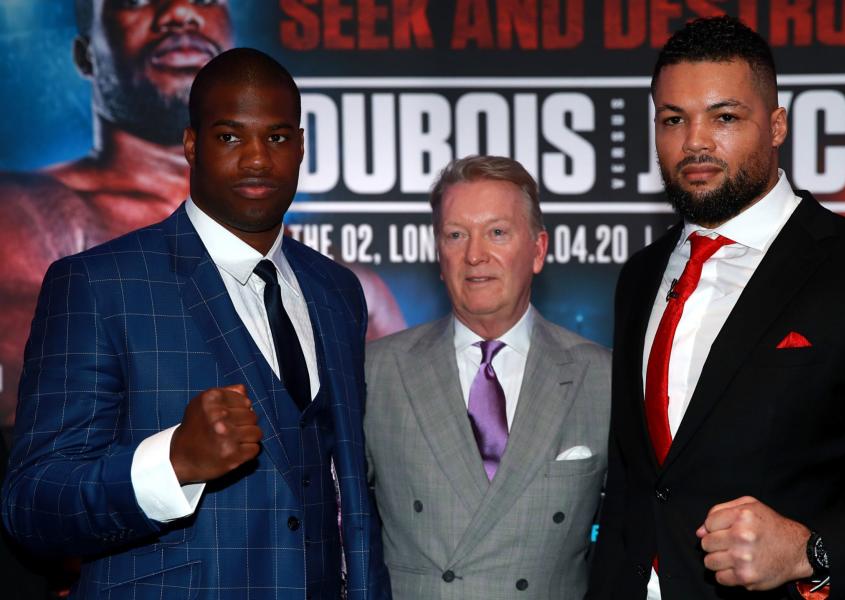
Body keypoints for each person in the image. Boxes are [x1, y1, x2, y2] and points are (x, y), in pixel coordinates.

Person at [587, 16, 845, 600]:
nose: (695, 143)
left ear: (777, 124)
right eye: (673, 120)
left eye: (725, 117)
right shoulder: (640, 276)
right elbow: (643, 482)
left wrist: (811, 550)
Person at [2, 48, 390, 599]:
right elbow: (33, 504)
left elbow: (345, 488)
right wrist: (173, 463)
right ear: (191, 146)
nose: (257, 159)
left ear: (300, 147)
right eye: (231, 137)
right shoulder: (98, 284)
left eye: (277, 137)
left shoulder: (337, 291)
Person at [0, 0, 405, 427]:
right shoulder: (29, 219)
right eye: (136, 1)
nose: (179, 13)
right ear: (86, 53)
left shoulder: (341, 287)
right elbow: (38, 447)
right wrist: (173, 460)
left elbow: (389, 456)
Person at [364, 155, 611, 599]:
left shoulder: (601, 377)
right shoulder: (376, 372)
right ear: (439, 254)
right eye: (456, 235)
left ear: (537, 251)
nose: (475, 255)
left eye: (497, 232)